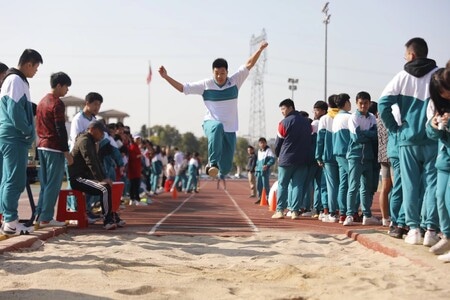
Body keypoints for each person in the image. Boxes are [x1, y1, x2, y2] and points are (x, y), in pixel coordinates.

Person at [158, 41, 269, 178]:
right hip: (211, 123)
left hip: (230, 128)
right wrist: (166, 77)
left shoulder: (235, 81)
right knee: (217, 126)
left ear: (227, 72)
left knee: (226, 168)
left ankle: (218, 168)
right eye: (216, 73)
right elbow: (183, 88)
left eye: (222, 73)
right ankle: (212, 162)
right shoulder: (206, 85)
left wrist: (260, 49)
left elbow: (249, 64)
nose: (219, 76)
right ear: (213, 72)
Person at [379, 37, 440, 246]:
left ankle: (413, 229)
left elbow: (383, 105)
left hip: (407, 140)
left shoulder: (401, 76)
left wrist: (395, 129)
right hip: (433, 138)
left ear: (411, 55)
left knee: (410, 185)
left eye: (405, 54)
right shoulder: (438, 75)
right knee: (432, 185)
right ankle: (430, 230)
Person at [0, 49, 43, 235]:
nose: (36, 71)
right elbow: (15, 111)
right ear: (28, 64)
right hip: (14, 136)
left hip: (11, 136)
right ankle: (10, 221)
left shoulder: (17, 81)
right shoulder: (15, 80)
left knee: (9, 179)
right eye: (36, 67)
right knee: (14, 179)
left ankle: (9, 219)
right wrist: (27, 132)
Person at [69, 120, 124, 230]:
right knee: (104, 189)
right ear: (92, 130)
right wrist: (101, 179)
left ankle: (112, 216)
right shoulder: (84, 141)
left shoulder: (91, 141)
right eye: (101, 132)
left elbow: (97, 162)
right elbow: (91, 162)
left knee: (107, 186)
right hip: (78, 179)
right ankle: (107, 220)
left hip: (86, 177)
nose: (103, 135)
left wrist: (104, 178)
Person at [35, 72, 74, 227]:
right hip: (54, 148)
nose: (67, 91)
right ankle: (46, 217)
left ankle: (40, 214)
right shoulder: (57, 103)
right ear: (59, 85)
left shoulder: (41, 101)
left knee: (45, 183)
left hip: (41, 146)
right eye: (66, 87)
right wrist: (66, 151)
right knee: (53, 184)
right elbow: (60, 128)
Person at [342, 92, 380, 226]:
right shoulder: (353, 118)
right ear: (357, 104)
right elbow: (356, 138)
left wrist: (365, 133)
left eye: (366, 103)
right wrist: (368, 135)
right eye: (360, 103)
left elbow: (376, 135)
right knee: (353, 186)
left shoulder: (372, 118)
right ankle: (349, 215)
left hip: (368, 158)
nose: (363, 106)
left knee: (366, 188)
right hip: (355, 157)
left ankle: (367, 215)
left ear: (369, 103)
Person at [272, 99, 312, 219]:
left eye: (283, 109)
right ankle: (294, 211)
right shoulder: (306, 123)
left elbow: (278, 143)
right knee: (297, 185)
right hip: (302, 159)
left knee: (283, 184)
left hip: (286, 159)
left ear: (290, 108)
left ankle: (280, 210)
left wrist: (278, 155)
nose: (282, 112)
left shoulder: (284, 123)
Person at [426, 64, 450, 262]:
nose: (443, 94)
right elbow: (430, 132)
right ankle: (447, 236)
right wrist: (435, 125)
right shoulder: (438, 104)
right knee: (440, 199)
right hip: (444, 161)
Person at [315, 94, 340, 221]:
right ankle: (342, 212)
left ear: (329, 105)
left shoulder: (324, 119)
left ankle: (331, 212)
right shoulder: (344, 116)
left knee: (330, 185)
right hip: (341, 155)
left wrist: (318, 156)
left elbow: (320, 140)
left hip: (328, 155)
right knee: (342, 184)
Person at [254, 137, 275, 205]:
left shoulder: (268, 150)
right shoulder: (259, 151)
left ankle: (268, 198)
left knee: (265, 185)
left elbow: (272, 159)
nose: (262, 144)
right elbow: (258, 161)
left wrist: (267, 165)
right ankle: (260, 198)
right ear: (259, 144)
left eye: (263, 142)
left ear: (266, 143)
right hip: (259, 171)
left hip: (265, 171)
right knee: (258, 185)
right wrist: (256, 168)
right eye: (261, 143)